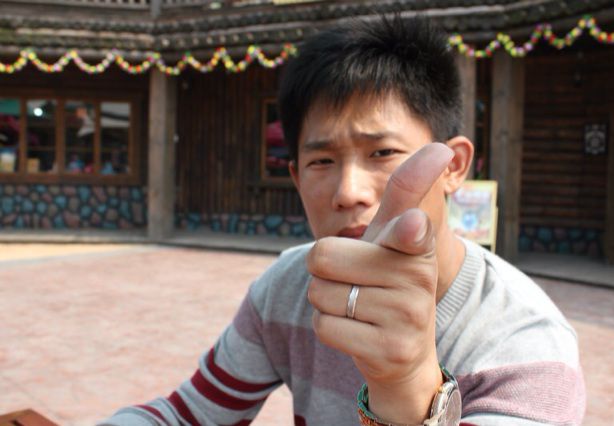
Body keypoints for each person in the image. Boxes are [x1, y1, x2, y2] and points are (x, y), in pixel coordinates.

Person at [101, 16, 585, 426]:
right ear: (296, 177)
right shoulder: (287, 289)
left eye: (383, 152)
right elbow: (188, 414)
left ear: (453, 166)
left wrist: (406, 382)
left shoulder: (526, 346)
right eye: (321, 161)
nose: (348, 192)